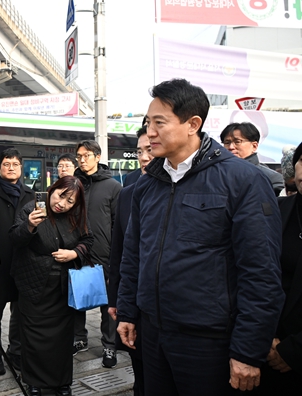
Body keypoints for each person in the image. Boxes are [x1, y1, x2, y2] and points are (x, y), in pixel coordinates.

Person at [117, 79, 283, 395]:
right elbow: (134, 253)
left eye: (159, 123)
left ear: (193, 124)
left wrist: (248, 350)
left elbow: (261, 272)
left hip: (210, 342)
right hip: (153, 334)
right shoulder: (147, 185)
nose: (150, 133)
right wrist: (127, 311)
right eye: (148, 123)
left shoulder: (242, 180)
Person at [9, 175, 94, 396]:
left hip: (63, 289)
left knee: (62, 340)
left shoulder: (76, 216)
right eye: (60, 196)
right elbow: (14, 239)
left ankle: (61, 382)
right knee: (33, 338)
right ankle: (34, 382)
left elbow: (88, 240)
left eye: (70, 201)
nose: (62, 204)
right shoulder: (31, 209)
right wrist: (29, 225)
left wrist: (74, 253)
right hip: (34, 285)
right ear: (51, 189)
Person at [254, 141, 302, 395]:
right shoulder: (276, 211)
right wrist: (264, 338)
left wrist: (293, 351)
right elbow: (253, 276)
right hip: (268, 347)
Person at [0, 148, 34, 376]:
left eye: (15, 164)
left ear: (21, 168)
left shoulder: (31, 195)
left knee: (19, 310)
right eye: (6, 164)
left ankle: (15, 350)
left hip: (23, 262)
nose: (11, 168)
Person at [106, 128, 149, 396]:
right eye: (139, 151)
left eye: (150, 150)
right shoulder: (127, 194)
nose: (144, 158)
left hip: (162, 303)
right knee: (138, 364)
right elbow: (119, 251)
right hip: (132, 297)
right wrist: (115, 299)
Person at [72, 140, 122, 366]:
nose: (82, 160)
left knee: (108, 304)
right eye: (79, 156)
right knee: (76, 298)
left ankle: (109, 346)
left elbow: (118, 224)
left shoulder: (113, 186)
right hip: (77, 252)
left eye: (87, 155)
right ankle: (79, 339)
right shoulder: (73, 184)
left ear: (98, 157)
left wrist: (115, 256)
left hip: (104, 254)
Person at [220, 122, 284, 196]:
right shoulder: (217, 173)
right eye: (227, 142)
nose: (231, 147)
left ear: (254, 146)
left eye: (237, 142)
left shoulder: (270, 178)